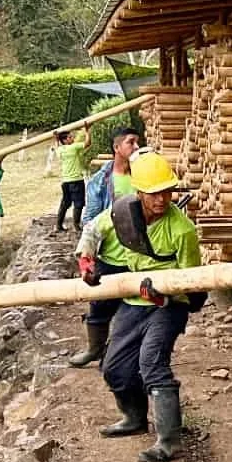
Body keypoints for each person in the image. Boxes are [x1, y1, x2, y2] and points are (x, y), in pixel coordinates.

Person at [76, 150, 202, 462]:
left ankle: (168, 441)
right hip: (134, 302)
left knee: (151, 364)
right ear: (139, 192)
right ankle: (133, 418)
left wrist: (163, 294)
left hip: (168, 307)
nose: (162, 199)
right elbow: (92, 230)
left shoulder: (182, 230)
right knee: (114, 367)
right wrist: (86, 261)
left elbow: (192, 286)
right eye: (154, 193)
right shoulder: (121, 213)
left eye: (167, 192)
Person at [69, 130, 142, 368]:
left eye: (137, 142)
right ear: (117, 147)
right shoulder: (102, 179)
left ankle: (128, 354)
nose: (135, 146)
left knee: (136, 308)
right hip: (110, 255)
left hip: (140, 256)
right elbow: (90, 220)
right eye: (130, 142)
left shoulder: (144, 176)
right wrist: (86, 258)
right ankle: (94, 348)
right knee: (99, 305)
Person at [49, 128, 89, 231]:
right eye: (70, 137)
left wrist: (56, 139)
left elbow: (57, 145)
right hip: (76, 180)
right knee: (78, 203)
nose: (73, 138)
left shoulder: (60, 150)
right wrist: (87, 131)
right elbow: (88, 143)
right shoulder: (73, 148)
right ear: (65, 140)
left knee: (65, 203)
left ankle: (58, 225)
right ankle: (76, 226)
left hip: (66, 182)